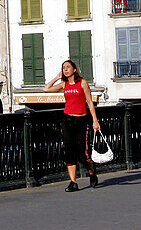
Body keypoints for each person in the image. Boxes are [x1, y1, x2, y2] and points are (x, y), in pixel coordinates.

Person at [45, 60, 101, 191]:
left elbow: (89, 102)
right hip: (67, 120)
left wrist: (95, 120)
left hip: (81, 120)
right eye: (63, 68)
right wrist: (56, 78)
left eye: (68, 67)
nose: (65, 69)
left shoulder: (82, 83)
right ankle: (73, 182)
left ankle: (92, 173)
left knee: (83, 153)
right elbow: (46, 89)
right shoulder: (64, 85)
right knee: (69, 150)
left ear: (74, 69)